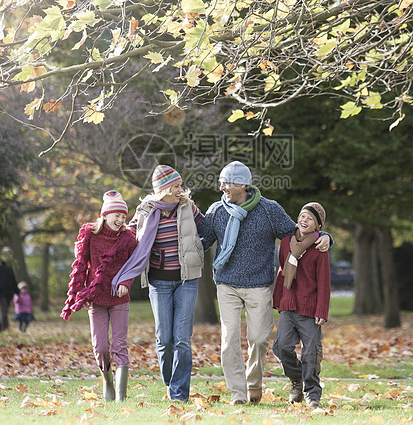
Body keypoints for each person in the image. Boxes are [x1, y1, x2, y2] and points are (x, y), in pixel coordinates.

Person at [198, 161, 331, 406]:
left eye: (226, 183)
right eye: (221, 183)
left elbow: (299, 233)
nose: (222, 188)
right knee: (229, 340)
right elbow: (199, 242)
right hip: (226, 284)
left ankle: (253, 383)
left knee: (259, 339)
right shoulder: (217, 210)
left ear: (242, 185)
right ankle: (238, 393)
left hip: (259, 284)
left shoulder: (269, 209)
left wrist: (325, 237)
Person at [112, 165, 204, 402]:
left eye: (180, 186)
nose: (179, 190)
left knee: (182, 338)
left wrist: (197, 249)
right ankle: (170, 382)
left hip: (186, 281)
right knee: (164, 339)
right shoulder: (144, 212)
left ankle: (179, 393)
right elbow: (126, 238)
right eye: (175, 186)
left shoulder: (188, 207)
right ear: (162, 189)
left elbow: (208, 228)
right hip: (159, 283)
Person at [61, 191, 137, 402]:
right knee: (101, 346)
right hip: (96, 298)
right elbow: (82, 266)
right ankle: (107, 381)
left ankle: (121, 396)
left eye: (124, 216)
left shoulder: (128, 239)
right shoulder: (90, 235)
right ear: (105, 214)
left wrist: (125, 283)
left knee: (119, 345)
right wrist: (82, 292)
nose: (121, 220)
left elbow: (134, 265)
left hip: (119, 298)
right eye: (117, 215)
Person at [272, 202, 330, 408]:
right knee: (281, 347)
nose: (304, 220)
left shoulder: (320, 247)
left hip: (310, 308)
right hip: (288, 304)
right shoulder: (286, 242)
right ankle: (297, 379)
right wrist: (278, 299)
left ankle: (312, 394)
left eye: (310, 219)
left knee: (310, 353)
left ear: (318, 226)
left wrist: (322, 310)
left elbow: (324, 282)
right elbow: (282, 270)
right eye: (302, 216)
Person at [0, 248, 19, 331]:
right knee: (3, 309)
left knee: (6, 310)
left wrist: (17, 292)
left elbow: (13, 280)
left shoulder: (10, 267)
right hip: (1, 292)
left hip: (8, 293)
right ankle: (2, 327)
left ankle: (5, 326)